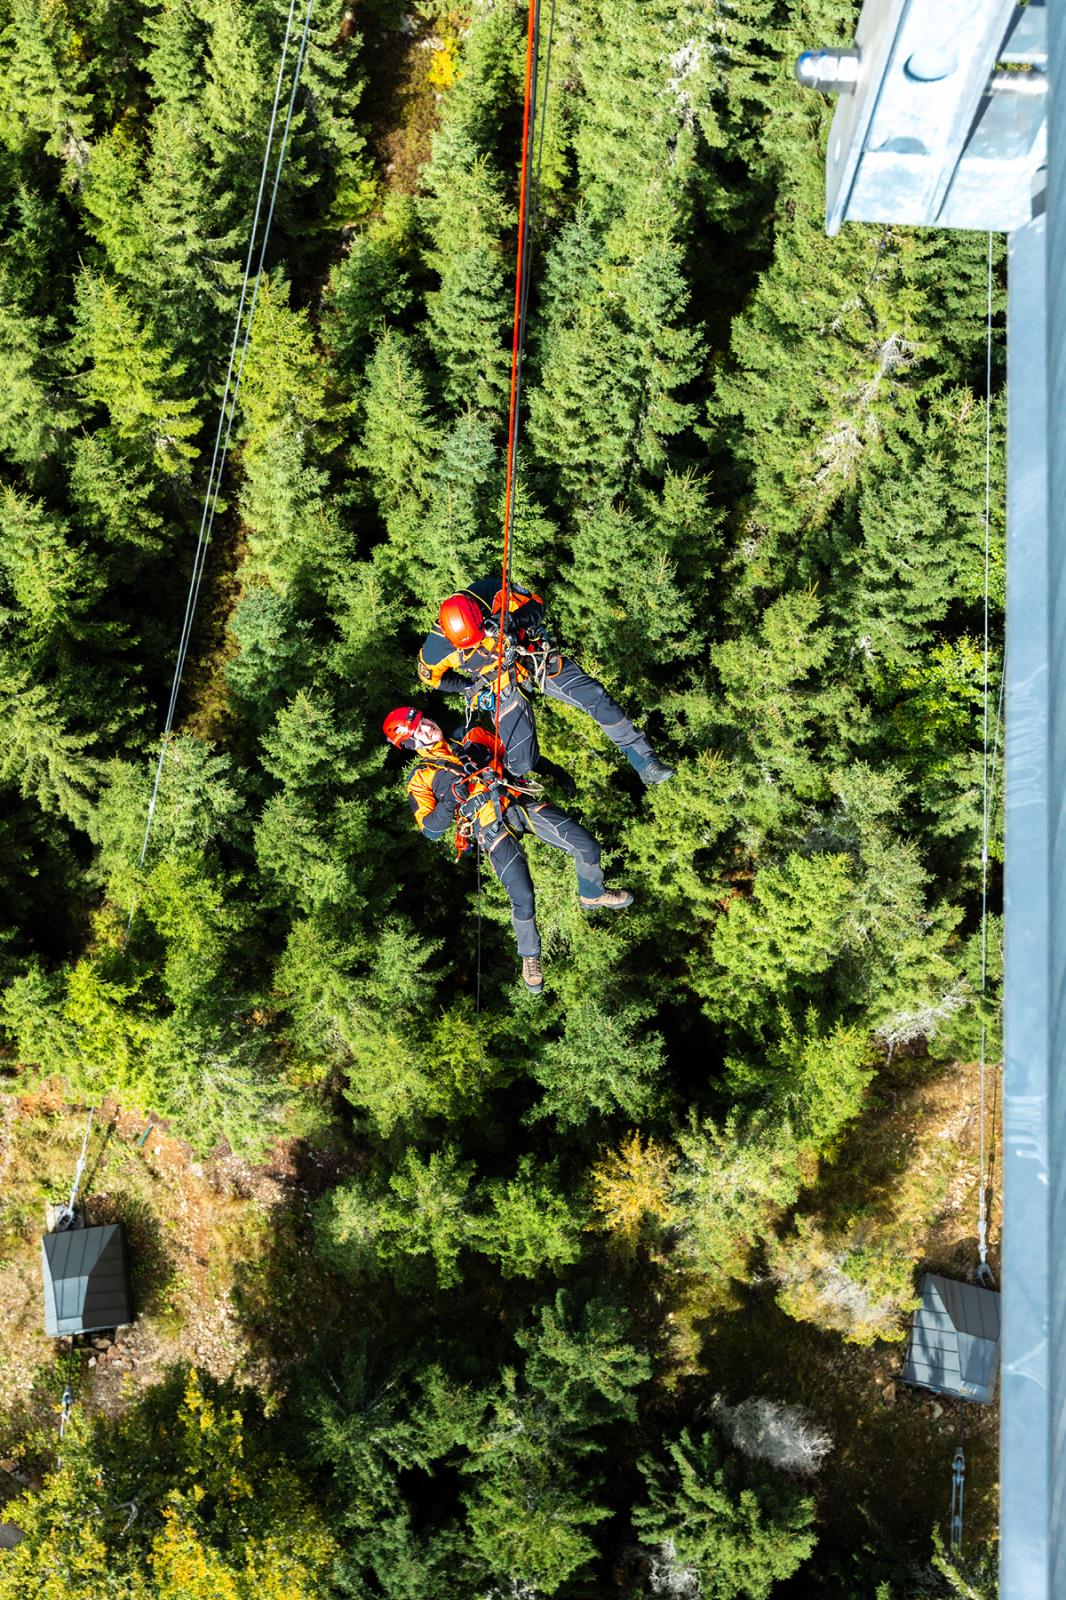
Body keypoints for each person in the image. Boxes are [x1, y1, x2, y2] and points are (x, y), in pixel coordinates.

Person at [383, 706, 633, 994]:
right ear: (412, 745)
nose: (429, 726)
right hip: (490, 828)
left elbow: (514, 755)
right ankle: (530, 957)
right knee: (523, 895)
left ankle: (592, 893)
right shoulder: (421, 778)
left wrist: (556, 772)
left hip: (517, 802)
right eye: (420, 731)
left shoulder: (470, 736)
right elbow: (430, 829)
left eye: (426, 721)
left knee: (587, 845)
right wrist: (451, 799)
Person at [416, 577, 675, 785]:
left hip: (531, 658)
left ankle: (645, 762)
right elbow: (431, 678)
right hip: (500, 685)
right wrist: (468, 688)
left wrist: (513, 620)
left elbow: (537, 604)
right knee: (523, 761)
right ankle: (503, 780)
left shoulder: (488, 591)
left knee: (594, 695)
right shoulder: (435, 649)